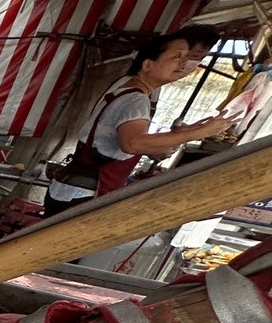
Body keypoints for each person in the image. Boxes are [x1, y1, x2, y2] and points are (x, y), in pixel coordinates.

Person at [45, 32, 236, 217]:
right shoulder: (136, 99)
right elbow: (132, 143)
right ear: (147, 64)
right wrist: (199, 132)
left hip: (74, 187)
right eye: (177, 56)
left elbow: (114, 138)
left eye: (187, 57)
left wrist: (179, 136)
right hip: (83, 193)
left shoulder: (129, 88)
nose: (184, 63)